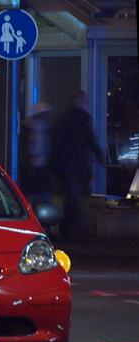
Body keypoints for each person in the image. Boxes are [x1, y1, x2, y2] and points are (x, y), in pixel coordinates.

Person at [50, 89, 106, 240]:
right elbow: (89, 139)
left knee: (74, 196)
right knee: (74, 196)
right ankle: (70, 229)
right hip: (73, 164)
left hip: (72, 164)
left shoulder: (67, 118)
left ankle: (70, 229)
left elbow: (87, 139)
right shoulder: (76, 118)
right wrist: (98, 155)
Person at [19, 102, 54, 210]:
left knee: (43, 202)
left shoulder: (48, 130)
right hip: (30, 172)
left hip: (42, 172)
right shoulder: (27, 130)